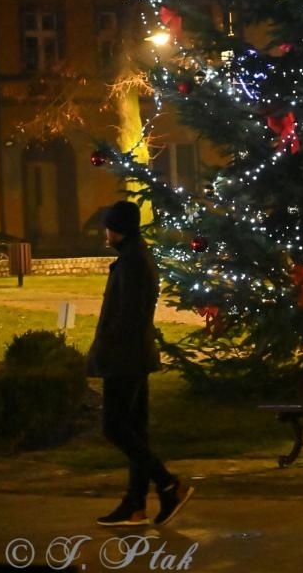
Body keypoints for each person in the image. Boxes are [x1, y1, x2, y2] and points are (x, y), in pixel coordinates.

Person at [86, 199, 193, 528]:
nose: (105, 232)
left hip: (124, 358)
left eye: (107, 226)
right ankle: (135, 504)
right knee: (135, 429)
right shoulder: (135, 256)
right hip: (135, 355)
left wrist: (103, 350)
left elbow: (127, 317)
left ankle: (168, 484)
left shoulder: (132, 262)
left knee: (115, 426)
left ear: (115, 229)